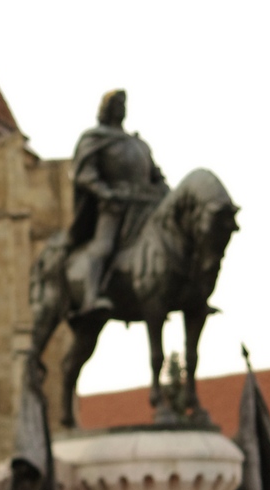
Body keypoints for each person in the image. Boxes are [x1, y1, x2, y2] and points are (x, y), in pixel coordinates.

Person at [67, 89, 169, 318]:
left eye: (124, 104)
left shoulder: (137, 144)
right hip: (114, 207)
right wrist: (106, 193)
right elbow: (84, 174)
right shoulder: (95, 138)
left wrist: (168, 196)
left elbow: (156, 176)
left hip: (146, 208)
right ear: (107, 109)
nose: (122, 109)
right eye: (117, 104)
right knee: (103, 247)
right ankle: (91, 297)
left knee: (167, 243)